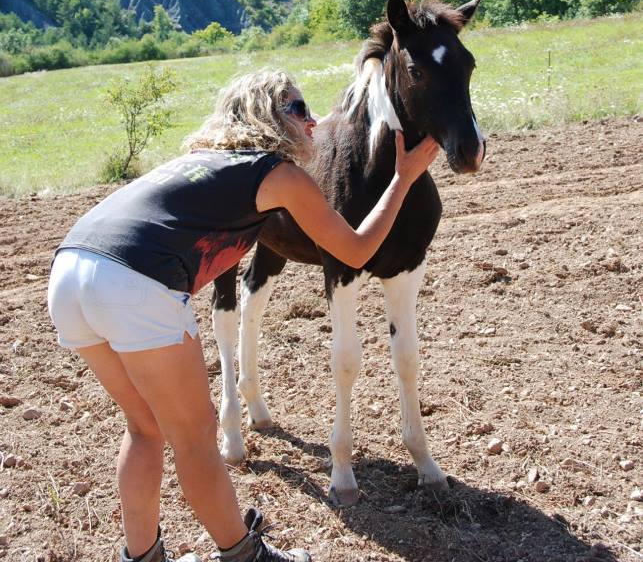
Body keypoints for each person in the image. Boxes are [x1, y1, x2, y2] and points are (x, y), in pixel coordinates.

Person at [47, 69, 440, 562]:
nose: (314, 121)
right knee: (194, 436)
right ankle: (243, 555)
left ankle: (143, 557)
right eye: (298, 109)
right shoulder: (276, 174)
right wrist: (404, 177)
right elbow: (357, 250)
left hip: (69, 271)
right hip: (131, 280)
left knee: (145, 428)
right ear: (269, 117)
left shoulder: (202, 162)